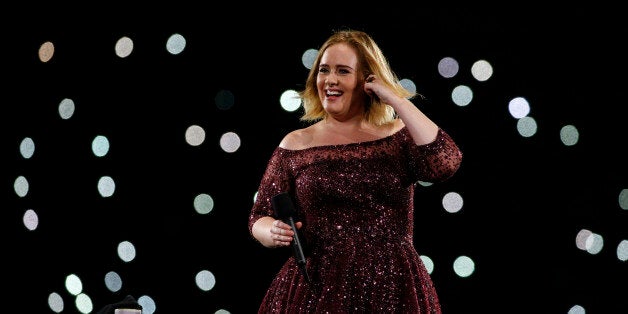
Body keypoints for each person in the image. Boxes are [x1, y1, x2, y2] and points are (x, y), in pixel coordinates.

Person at [248, 28, 463, 313]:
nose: (330, 80)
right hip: (316, 287)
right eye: (324, 70)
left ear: (367, 80)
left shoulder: (397, 136)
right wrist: (271, 231)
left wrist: (397, 101)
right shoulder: (295, 144)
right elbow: (258, 215)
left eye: (343, 71)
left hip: (392, 286)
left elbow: (445, 161)